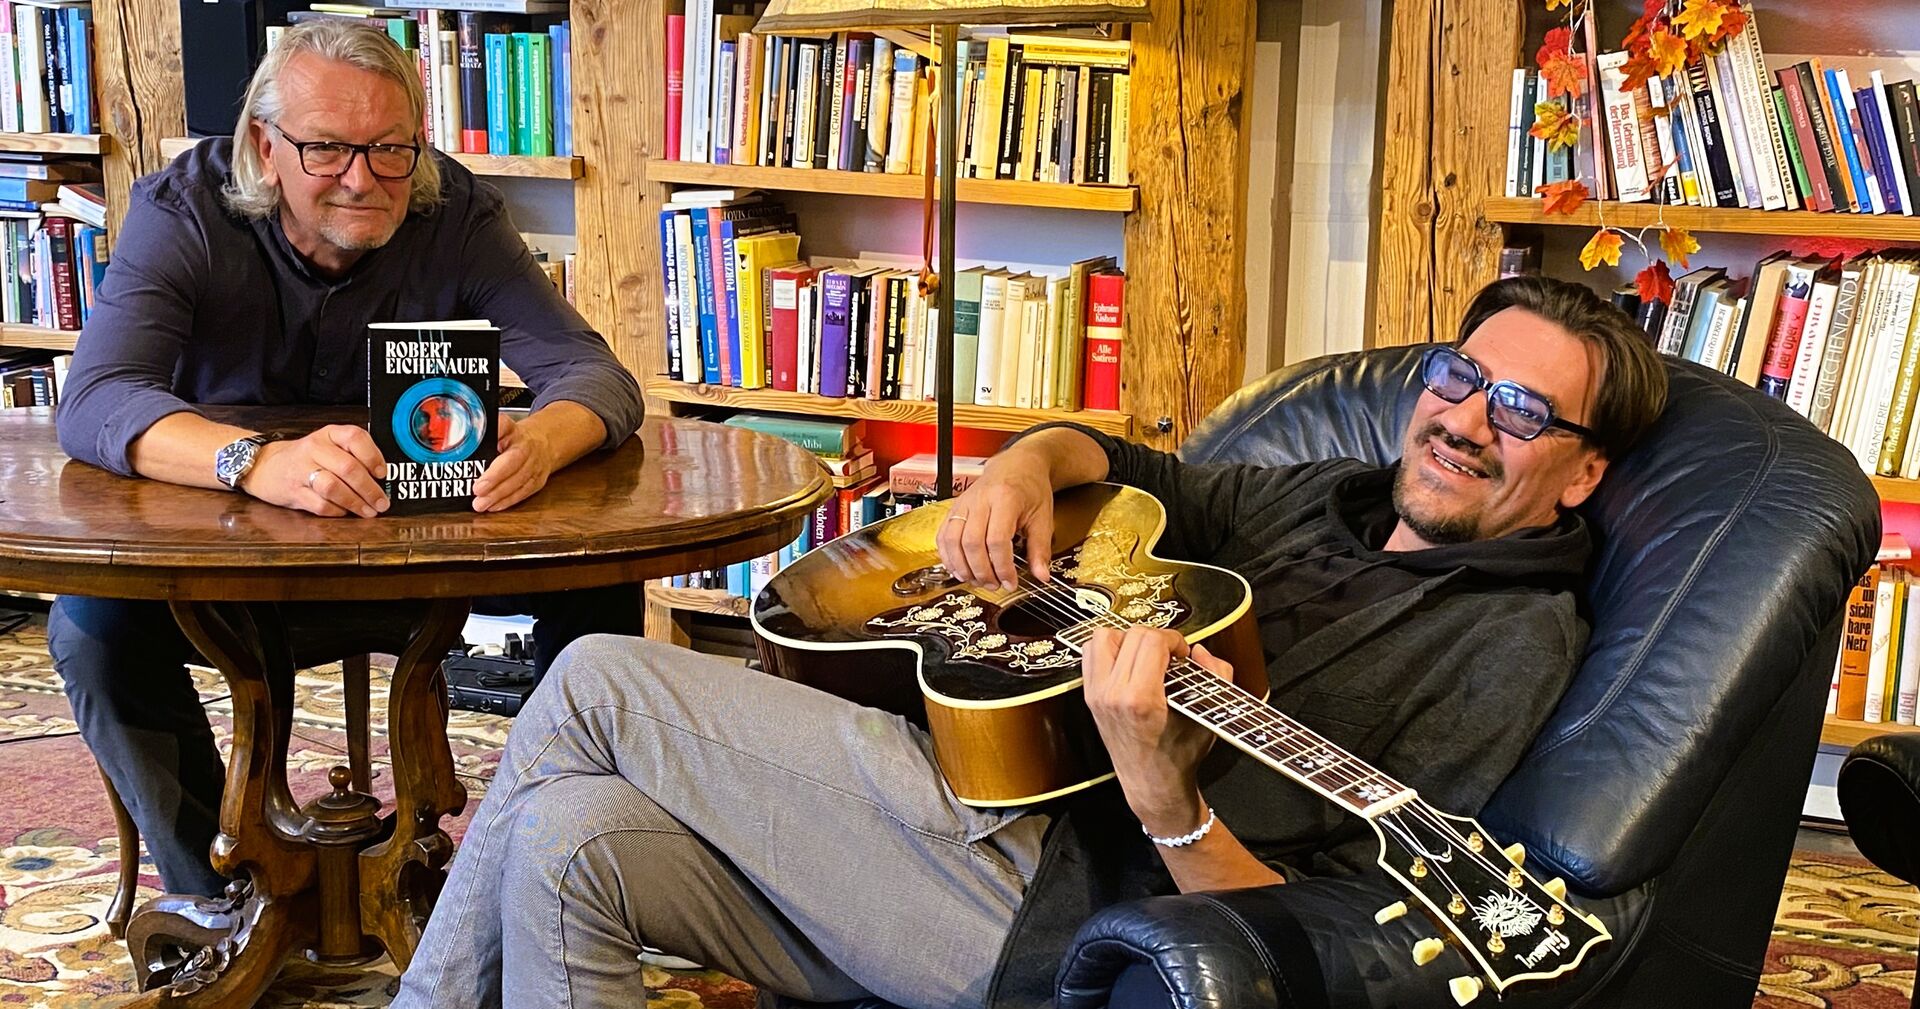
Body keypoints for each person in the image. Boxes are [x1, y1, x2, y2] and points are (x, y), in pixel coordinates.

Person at [392, 275, 1668, 1009]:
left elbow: (1338, 932)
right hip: (962, 798)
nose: (1464, 420)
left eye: (1520, 409)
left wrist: (1167, 796)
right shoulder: (1321, 495)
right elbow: (1120, 466)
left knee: (598, 678)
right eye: (1459, 374)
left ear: (1582, 473)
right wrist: (1019, 467)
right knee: (566, 839)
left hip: (1057, 896)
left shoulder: (1511, 640)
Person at [50, 20, 646, 899]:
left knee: (599, 582)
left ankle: (538, 875)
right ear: (266, 147)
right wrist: (254, 460)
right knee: (91, 630)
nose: (363, 178)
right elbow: (97, 398)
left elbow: (596, 376)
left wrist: (544, 439)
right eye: (327, 148)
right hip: (224, 555)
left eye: (390, 149)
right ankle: (221, 899)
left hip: (415, 552)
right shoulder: (184, 211)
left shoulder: (453, 211)